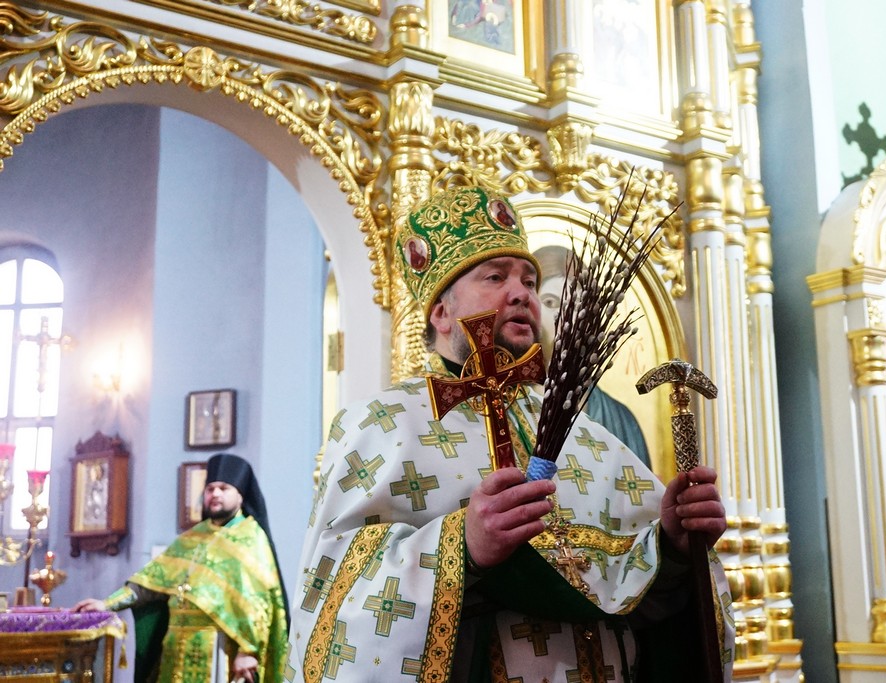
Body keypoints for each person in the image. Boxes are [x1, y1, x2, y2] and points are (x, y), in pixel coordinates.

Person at [289, 186, 735, 681]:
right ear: (441, 312)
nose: (522, 293)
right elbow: (333, 597)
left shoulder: (585, 434)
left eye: (529, 280)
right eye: (496, 277)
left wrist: (671, 546)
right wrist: (462, 546)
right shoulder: (383, 424)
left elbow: (639, 596)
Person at [75, 453, 289, 683]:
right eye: (210, 489)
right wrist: (106, 604)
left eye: (224, 488)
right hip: (175, 646)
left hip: (217, 647)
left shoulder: (251, 539)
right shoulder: (190, 538)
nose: (215, 494)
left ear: (240, 495)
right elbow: (150, 583)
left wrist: (249, 651)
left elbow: (259, 603)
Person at [534, 244, 652, 468]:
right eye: (550, 302)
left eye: (576, 305)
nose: (565, 316)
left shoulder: (621, 421)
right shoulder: (507, 408)